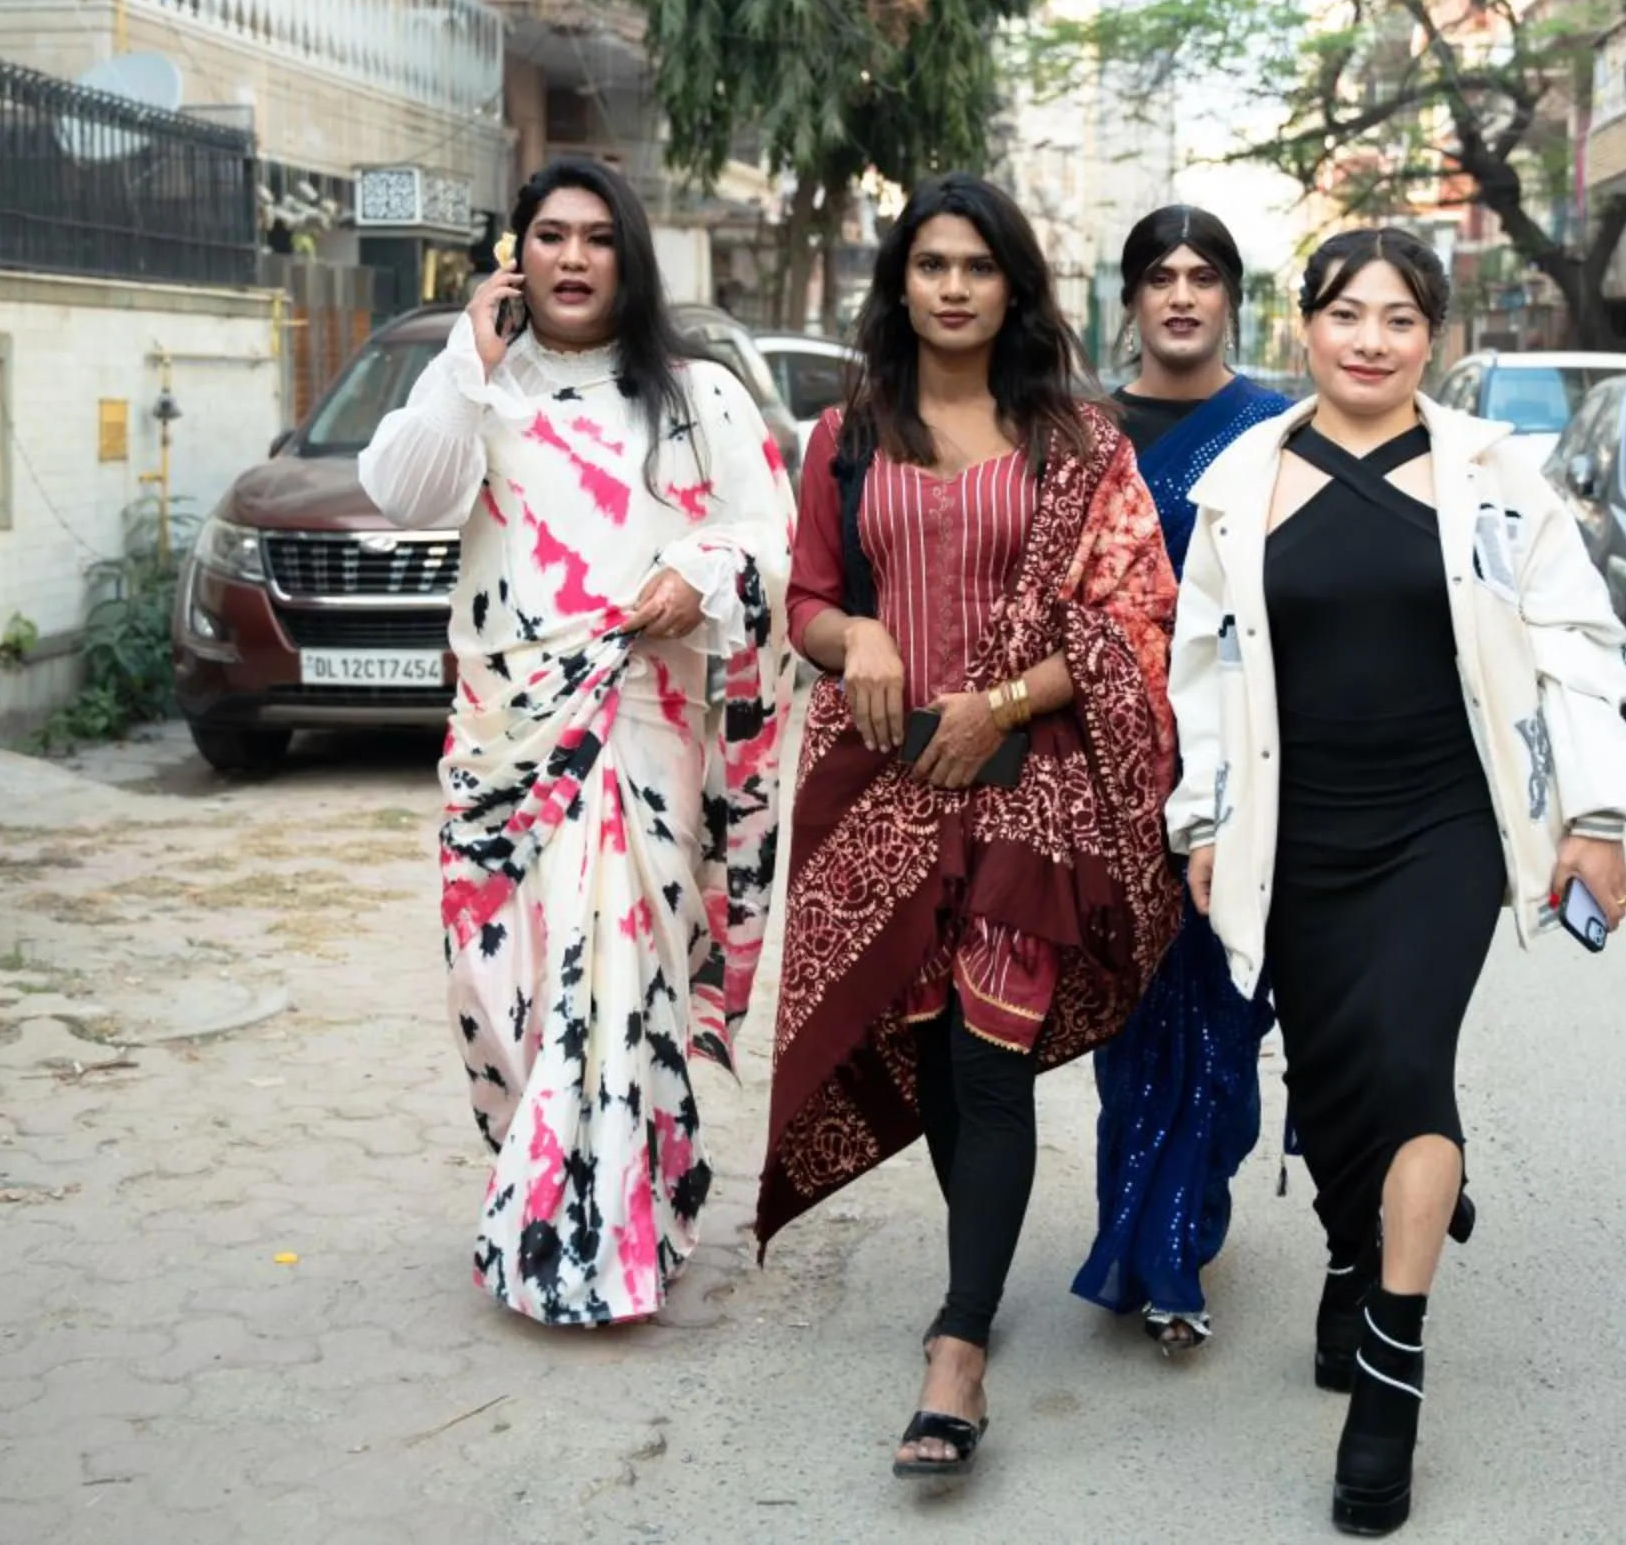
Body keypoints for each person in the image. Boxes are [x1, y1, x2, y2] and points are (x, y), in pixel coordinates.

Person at [1165, 228, 1626, 1535]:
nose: (1370, 337)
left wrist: (1596, 813)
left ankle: (1393, 1359)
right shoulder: (1240, 482)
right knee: (1327, 1083)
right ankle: (1349, 1239)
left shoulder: (1495, 479)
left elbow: (1579, 640)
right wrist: (1203, 815)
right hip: (1296, 821)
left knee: (1403, 1064)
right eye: (1345, 313)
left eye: (1398, 316)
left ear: (1432, 335)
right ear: (1305, 326)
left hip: (1444, 821)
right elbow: (1203, 673)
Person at [756, 172, 1183, 1478]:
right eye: (930, 264)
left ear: (1013, 287)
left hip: (1025, 785)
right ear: (901, 284)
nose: (951, 285)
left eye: (977, 265)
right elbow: (808, 604)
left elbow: (1128, 618)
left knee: (990, 1057)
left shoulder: (1076, 442)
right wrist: (862, 632)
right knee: (933, 1057)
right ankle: (979, 1270)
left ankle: (959, 1348)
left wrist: (997, 700)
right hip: (882, 780)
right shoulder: (846, 433)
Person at [358, 157, 791, 1328]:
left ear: (629, 257)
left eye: (598, 237)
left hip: (639, 725)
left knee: (613, 976)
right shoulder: (480, 388)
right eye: (549, 235)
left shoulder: (696, 399)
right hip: (505, 731)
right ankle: (551, 1172)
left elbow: (768, 539)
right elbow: (404, 494)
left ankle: (600, 1238)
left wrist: (693, 575)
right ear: (514, 253)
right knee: (502, 982)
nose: (572, 257)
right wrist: (467, 360)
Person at [1073, 206, 1291, 1354]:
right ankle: (1143, 1243)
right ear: (1131, 299)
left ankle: (1183, 1230)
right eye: (1159, 275)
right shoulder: (1083, 433)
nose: (1182, 295)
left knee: (1223, 1013)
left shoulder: (1275, 430)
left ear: (1231, 299)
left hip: (1240, 759)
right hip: (1110, 768)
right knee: (1135, 1020)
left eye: (1205, 276)